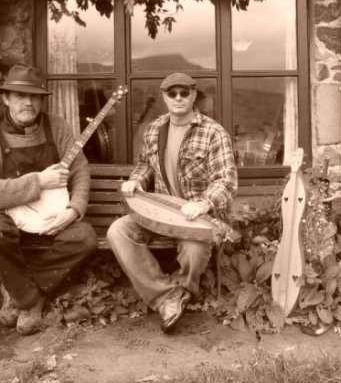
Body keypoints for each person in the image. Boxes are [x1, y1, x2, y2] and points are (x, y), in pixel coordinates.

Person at [107, 72, 238, 333]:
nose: (178, 98)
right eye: (172, 93)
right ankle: (166, 296)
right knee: (118, 231)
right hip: (161, 211)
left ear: (193, 95)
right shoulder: (154, 128)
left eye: (184, 93)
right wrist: (136, 180)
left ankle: (179, 289)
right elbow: (145, 164)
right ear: (164, 97)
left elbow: (227, 180)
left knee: (194, 250)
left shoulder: (213, 132)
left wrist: (203, 203)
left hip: (198, 216)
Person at [0, 65, 97, 335]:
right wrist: (38, 182)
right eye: (20, 96)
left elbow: (80, 170)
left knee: (85, 237)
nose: (28, 103)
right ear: (5, 98)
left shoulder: (58, 126)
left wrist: (75, 209)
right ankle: (31, 301)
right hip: (7, 215)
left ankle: (18, 292)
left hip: (53, 218)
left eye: (34, 97)